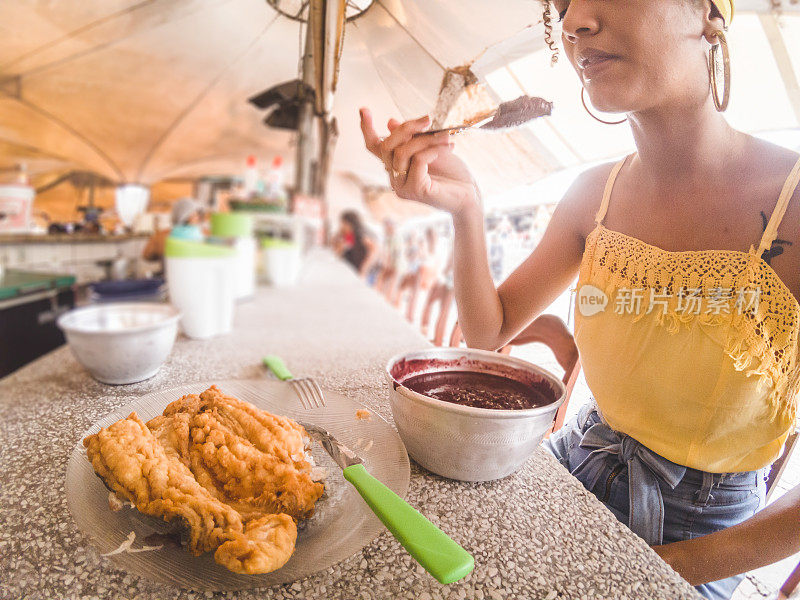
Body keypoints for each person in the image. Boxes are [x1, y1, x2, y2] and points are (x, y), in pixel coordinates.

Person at [358, 1, 800, 598]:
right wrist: (466, 208)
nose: (575, 22)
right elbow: (490, 331)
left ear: (706, 11)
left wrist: (666, 570)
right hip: (573, 465)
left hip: (705, 535)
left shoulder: (791, 205)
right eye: (562, 5)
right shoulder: (595, 192)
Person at [142, 197, 205, 262]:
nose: (198, 218)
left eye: (198, 214)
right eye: (194, 215)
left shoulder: (162, 234)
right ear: (184, 216)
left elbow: (147, 256)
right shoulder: (204, 234)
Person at [332, 210, 379, 277]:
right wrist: (339, 236)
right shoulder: (349, 235)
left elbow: (374, 250)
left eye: (342, 223)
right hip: (354, 269)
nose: (341, 225)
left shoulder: (361, 234)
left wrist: (364, 269)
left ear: (348, 223)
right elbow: (340, 250)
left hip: (366, 271)